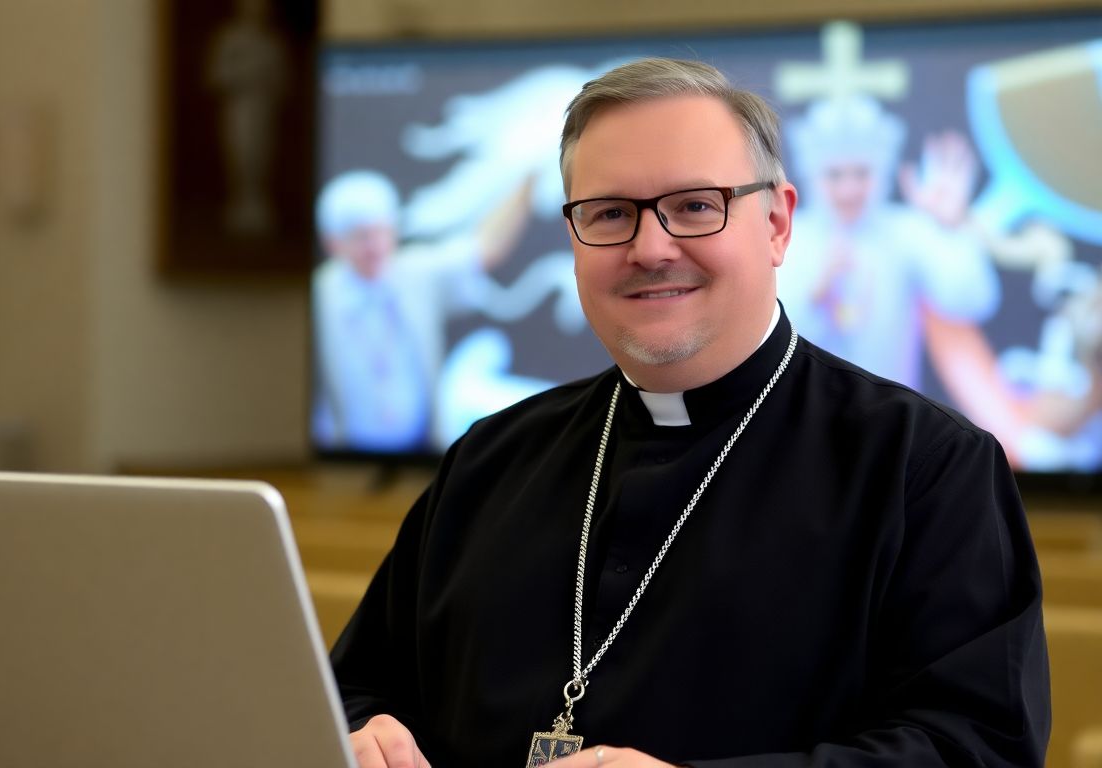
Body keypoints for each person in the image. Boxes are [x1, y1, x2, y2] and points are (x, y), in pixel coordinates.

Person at [330, 58, 1050, 767]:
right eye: (609, 214)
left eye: (695, 206)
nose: (651, 248)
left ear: (776, 223)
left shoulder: (926, 468)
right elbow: (354, 688)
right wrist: (360, 734)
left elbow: (975, 747)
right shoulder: (489, 460)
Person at [776, 95, 1001, 390]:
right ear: (812, 175)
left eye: (861, 173)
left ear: (881, 172)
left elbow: (970, 302)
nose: (849, 189)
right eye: (835, 175)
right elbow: (766, 344)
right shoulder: (787, 237)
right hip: (803, 421)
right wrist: (818, 294)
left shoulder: (906, 230)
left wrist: (952, 230)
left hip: (895, 422)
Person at [312, 169, 530, 453]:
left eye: (382, 231)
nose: (376, 246)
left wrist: (528, 174)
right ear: (333, 242)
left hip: (421, 453)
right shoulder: (318, 294)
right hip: (340, 461)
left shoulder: (415, 274)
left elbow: (485, 248)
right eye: (362, 236)